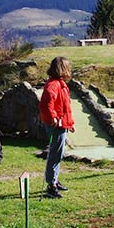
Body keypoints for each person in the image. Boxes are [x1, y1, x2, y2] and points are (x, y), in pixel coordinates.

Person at [38, 57, 75, 199]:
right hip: (56, 125)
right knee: (55, 155)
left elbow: (65, 107)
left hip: (62, 123)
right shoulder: (53, 84)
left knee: (58, 154)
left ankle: (55, 180)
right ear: (62, 69)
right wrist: (53, 117)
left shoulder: (61, 84)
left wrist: (70, 123)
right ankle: (51, 186)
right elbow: (46, 103)